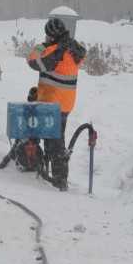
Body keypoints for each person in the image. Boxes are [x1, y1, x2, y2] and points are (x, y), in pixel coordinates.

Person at [26, 18, 86, 190]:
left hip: (53, 103)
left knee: (53, 142)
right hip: (65, 104)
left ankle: (57, 178)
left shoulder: (54, 51)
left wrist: (41, 47)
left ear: (51, 36)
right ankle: (58, 176)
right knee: (56, 139)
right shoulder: (73, 50)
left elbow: (32, 61)